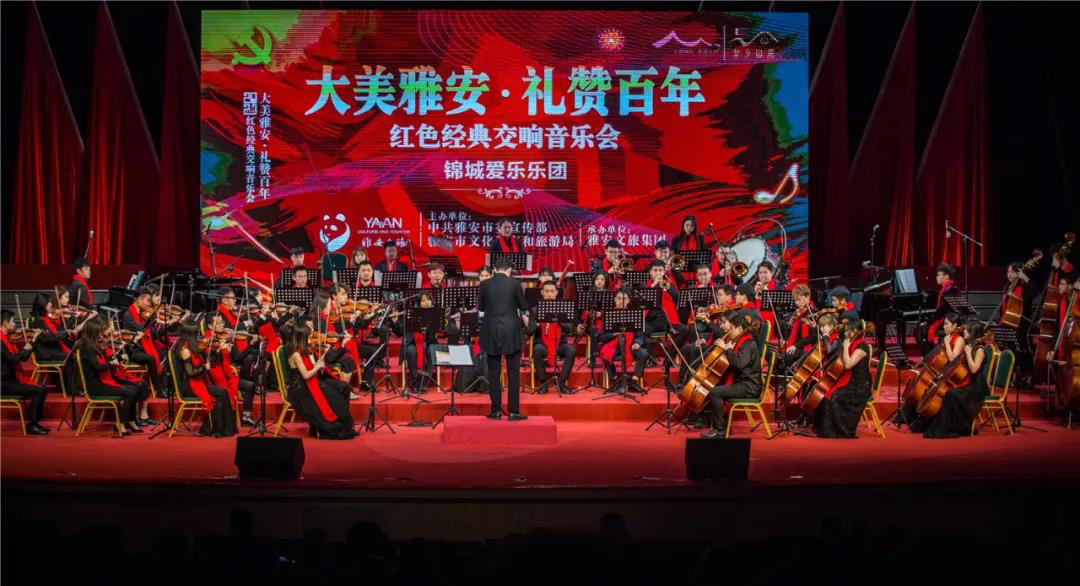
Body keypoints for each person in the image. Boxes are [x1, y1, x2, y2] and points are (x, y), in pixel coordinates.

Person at [920, 320, 995, 439]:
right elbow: (956, 364)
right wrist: (944, 374)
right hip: (970, 383)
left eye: (967, 330)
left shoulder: (980, 349)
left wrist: (968, 354)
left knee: (951, 394)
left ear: (973, 332)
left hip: (977, 387)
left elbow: (974, 369)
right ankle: (941, 426)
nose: (964, 331)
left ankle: (957, 427)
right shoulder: (969, 346)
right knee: (949, 392)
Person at [76, 319, 149, 435]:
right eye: (100, 332)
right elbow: (98, 367)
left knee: (135, 389)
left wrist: (116, 359)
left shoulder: (94, 347)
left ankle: (131, 421)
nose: (102, 335)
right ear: (93, 332)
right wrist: (112, 362)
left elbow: (105, 362)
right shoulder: (88, 349)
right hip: (96, 385)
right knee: (131, 392)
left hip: (101, 381)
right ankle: (120, 423)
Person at [478, 257, 529, 420]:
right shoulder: (515, 284)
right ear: (509, 270)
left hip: (491, 331)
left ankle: (495, 411)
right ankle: (514, 411)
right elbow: (523, 306)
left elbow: (481, 307)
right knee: (513, 373)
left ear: (494, 269)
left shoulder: (485, 284)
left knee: (494, 372)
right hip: (511, 331)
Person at [285, 325, 357, 439]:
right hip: (300, 389)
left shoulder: (303, 351)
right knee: (334, 396)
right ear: (303, 338)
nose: (311, 338)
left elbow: (312, 369)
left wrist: (320, 363)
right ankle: (336, 424)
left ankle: (344, 422)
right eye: (309, 336)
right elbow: (306, 375)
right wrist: (317, 367)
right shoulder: (296, 354)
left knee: (336, 393)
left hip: (308, 383)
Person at [700, 312, 761, 438]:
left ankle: (720, 430)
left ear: (739, 329)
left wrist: (727, 349)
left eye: (732, 328)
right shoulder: (740, 340)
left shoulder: (748, 343)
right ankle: (721, 424)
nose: (730, 331)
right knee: (715, 386)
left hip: (749, 386)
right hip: (742, 383)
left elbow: (739, 364)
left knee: (715, 392)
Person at [170, 324, 236, 437]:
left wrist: (216, 351)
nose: (199, 337)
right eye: (197, 335)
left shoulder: (192, 346)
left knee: (223, 392)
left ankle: (225, 429)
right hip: (188, 386)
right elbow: (191, 373)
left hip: (196, 381)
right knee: (220, 393)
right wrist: (204, 367)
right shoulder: (185, 350)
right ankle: (215, 429)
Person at [813, 319, 873, 439]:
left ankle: (839, 431)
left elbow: (848, 365)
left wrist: (845, 347)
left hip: (860, 386)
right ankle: (825, 428)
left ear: (854, 331)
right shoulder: (851, 342)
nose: (844, 333)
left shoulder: (862, 348)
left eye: (847, 331)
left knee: (835, 397)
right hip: (852, 381)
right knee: (826, 393)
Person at [1, 310, 52, 435]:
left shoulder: (7, 338)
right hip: (4, 383)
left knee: (42, 389)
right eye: (13, 321)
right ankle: (32, 425)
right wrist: (25, 348)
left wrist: (33, 340)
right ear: (5, 323)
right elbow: (14, 359)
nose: (15, 324)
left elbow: (23, 357)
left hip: (11, 380)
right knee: (39, 391)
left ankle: (34, 423)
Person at [525, 281, 580, 395]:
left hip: (560, 343)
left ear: (556, 293)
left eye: (552, 291)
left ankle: (562, 383)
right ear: (542, 292)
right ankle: (543, 383)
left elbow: (571, 328)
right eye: (547, 291)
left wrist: (560, 321)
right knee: (537, 350)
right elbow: (529, 331)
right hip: (542, 344)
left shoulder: (563, 309)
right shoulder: (535, 310)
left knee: (571, 350)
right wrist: (537, 325)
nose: (549, 294)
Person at [597, 289, 648, 393]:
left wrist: (637, 343)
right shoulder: (608, 315)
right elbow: (601, 337)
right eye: (619, 298)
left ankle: (633, 381)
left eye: (624, 299)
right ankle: (616, 380)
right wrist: (613, 334)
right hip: (613, 345)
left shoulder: (633, 315)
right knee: (605, 354)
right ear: (615, 300)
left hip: (629, 345)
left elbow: (640, 335)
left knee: (643, 353)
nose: (621, 301)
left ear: (628, 301)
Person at [923, 263, 959, 351]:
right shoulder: (947, 288)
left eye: (939, 275)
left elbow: (944, 310)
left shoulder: (950, 289)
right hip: (943, 317)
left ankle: (929, 354)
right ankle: (930, 353)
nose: (936, 277)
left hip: (947, 319)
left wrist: (930, 319)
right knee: (923, 328)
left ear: (946, 276)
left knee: (920, 330)